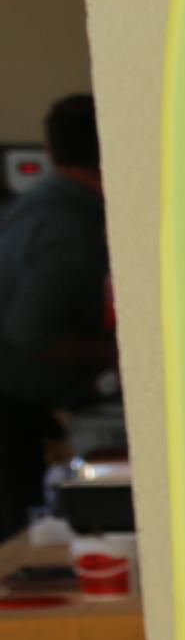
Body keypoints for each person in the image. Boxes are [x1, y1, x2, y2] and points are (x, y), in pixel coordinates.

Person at [0, 94, 113, 516]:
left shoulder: (29, 208)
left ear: (50, 150)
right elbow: (31, 331)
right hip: (13, 410)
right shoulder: (72, 230)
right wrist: (112, 353)